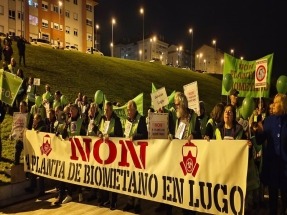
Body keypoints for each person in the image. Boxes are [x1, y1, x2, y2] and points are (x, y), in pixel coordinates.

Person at [253, 93, 287, 215]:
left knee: (285, 196)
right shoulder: (268, 121)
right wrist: (258, 131)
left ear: (282, 105)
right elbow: (259, 140)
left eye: (276, 102)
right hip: (272, 166)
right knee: (272, 196)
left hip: (285, 169)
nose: (272, 105)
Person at [170, 92, 201, 215]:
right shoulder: (177, 118)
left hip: (192, 158)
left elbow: (199, 133)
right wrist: (171, 136)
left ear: (183, 104)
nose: (175, 107)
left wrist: (193, 135)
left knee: (191, 190)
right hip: (180, 158)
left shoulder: (193, 116)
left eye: (177, 104)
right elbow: (177, 135)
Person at [54, 104, 86, 205]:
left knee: (78, 172)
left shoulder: (81, 121)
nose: (71, 111)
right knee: (68, 172)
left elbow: (85, 135)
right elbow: (65, 134)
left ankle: (80, 191)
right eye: (70, 110)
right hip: (69, 151)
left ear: (77, 110)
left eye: (73, 109)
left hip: (79, 151)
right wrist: (60, 132)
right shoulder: (68, 121)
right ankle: (69, 194)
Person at [122, 100, 148, 214]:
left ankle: (137, 203)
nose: (128, 111)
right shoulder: (127, 120)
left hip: (138, 153)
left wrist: (135, 136)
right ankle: (129, 201)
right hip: (129, 153)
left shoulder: (141, 119)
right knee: (130, 178)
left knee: (138, 178)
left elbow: (145, 135)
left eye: (129, 109)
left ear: (134, 109)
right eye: (127, 109)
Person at [97, 101, 123, 210]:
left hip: (113, 153)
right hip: (103, 152)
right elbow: (99, 130)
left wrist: (110, 135)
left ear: (111, 110)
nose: (105, 112)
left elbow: (119, 134)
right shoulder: (102, 119)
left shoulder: (116, 120)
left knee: (112, 177)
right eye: (104, 110)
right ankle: (105, 199)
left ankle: (114, 201)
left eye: (107, 110)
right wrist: (99, 134)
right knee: (104, 177)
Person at [25, 113, 47, 196]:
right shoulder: (35, 127)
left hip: (40, 153)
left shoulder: (42, 127)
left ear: (38, 119)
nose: (33, 120)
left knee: (40, 172)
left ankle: (42, 190)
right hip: (34, 152)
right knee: (33, 170)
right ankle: (32, 186)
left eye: (35, 119)